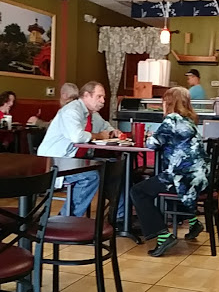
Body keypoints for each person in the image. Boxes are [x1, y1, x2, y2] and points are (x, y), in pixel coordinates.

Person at [130, 87, 209, 257]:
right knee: (160, 185)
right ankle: (193, 221)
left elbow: (152, 144)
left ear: (168, 103)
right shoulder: (189, 121)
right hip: (198, 178)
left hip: (182, 178)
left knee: (138, 191)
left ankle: (163, 236)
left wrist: (150, 136)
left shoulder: (172, 119)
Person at [37, 81, 122, 217]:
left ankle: (120, 216)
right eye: (99, 97)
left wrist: (113, 132)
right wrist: (99, 136)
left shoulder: (92, 114)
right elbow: (77, 136)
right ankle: (66, 219)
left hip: (74, 160)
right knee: (90, 177)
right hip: (55, 160)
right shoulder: (72, 110)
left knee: (113, 169)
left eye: (103, 98)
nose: (103, 101)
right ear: (86, 95)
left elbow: (105, 126)